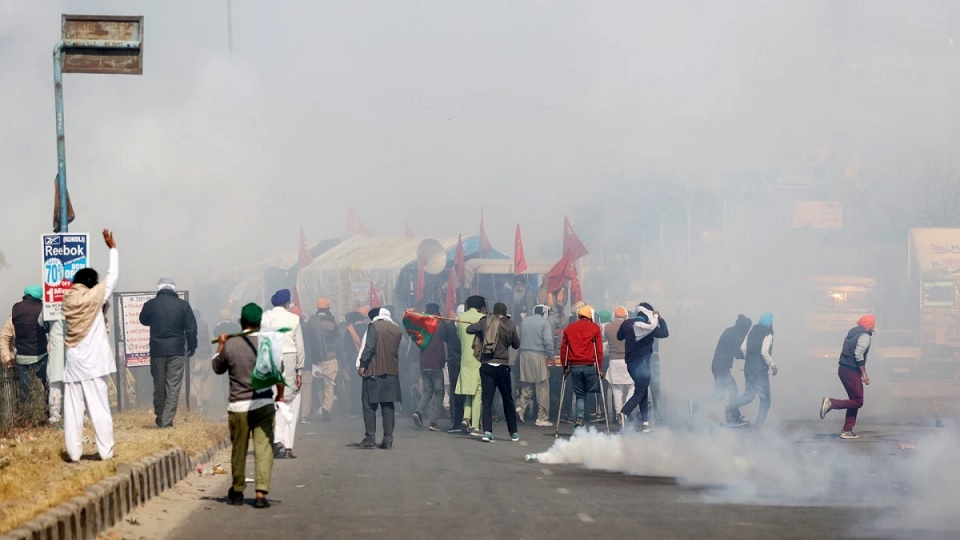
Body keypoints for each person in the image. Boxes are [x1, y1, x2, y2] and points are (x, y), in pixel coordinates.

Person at [212, 302, 278, 509]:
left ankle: (238, 490)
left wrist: (220, 346)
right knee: (264, 448)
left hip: (238, 406)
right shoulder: (268, 344)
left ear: (241, 322)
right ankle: (260, 492)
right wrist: (281, 398)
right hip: (264, 403)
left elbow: (217, 367)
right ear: (260, 322)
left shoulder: (231, 344)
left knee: (239, 449)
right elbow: (278, 372)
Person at [62, 229, 119, 462]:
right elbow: (113, 276)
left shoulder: (68, 299)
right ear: (91, 284)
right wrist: (112, 248)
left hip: (74, 363)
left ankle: (74, 454)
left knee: (73, 411)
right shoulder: (94, 297)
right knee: (99, 408)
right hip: (94, 363)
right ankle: (106, 452)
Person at [139, 278, 198, 428]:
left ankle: (160, 415)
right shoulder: (183, 305)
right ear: (174, 289)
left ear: (159, 288)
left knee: (159, 385)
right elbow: (191, 329)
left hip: (157, 350)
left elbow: (143, 320)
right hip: (177, 350)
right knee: (173, 386)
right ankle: (166, 420)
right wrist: (192, 347)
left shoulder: (151, 304)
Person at [466, 302, 521, 442]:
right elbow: (516, 345)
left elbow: (469, 329)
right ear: (505, 312)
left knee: (487, 400)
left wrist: (481, 327)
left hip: (487, 366)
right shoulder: (510, 324)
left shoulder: (485, 322)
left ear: (494, 312)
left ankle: (487, 432)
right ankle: (513, 432)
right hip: (503, 366)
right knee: (508, 399)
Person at [261, 289, 305, 459]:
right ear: (287, 303)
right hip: (289, 359)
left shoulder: (265, 317)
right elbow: (299, 347)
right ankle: (287, 445)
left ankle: (276, 439)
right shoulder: (294, 319)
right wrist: (299, 371)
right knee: (290, 402)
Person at [690, 314, 752, 426]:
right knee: (733, 390)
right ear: (744, 327)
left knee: (719, 394)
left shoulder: (730, 330)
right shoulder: (736, 334)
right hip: (721, 366)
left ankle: (696, 403)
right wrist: (752, 356)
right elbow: (738, 354)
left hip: (719, 365)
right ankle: (733, 418)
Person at [616, 303, 669, 432]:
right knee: (640, 392)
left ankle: (645, 422)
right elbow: (665, 333)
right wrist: (660, 319)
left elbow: (619, 337)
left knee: (642, 391)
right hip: (644, 365)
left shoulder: (627, 324)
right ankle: (624, 413)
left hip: (630, 364)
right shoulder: (649, 328)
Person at [820, 314, 874, 439]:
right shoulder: (864, 337)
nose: (874, 327)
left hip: (844, 369)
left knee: (853, 400)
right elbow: (858, 355)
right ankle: (831, 403)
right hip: (850, 371)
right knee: (858, 401)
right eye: (873, 325)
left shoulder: (852, 334)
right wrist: (864, 374)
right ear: (869, 326)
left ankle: (847, 430)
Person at [357, 307, 403, 449]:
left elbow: (369, 347)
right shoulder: (396, 330)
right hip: (391, 373)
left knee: (369, 406)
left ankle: (370, 437)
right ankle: (388, 439)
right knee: (388, 406)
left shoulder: (374, 327)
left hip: (374, 371)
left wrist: (363, 364)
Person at [730, 312, 778, 427]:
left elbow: (743, 348)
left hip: (749, 368)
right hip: (760, 370)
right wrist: (773, 365)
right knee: (765, 399)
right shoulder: (768, 334)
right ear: (770, 323)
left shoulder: (752, 331)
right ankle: (759, 424)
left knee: (749, 396)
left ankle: (732, 405)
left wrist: (750, 360)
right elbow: (764, 352)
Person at [560, 305, 604, 428]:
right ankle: (592, 414)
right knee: (591, 390)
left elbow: (564, 349)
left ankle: (579, 418)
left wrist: (565, 367)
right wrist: (599, 368)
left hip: (574, 366)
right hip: (589, 365)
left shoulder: (570, 328)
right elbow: (599, 350)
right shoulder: (595, 328)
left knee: (580, 395)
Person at [9, 286, 48, 411]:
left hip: (22, 357)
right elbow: (46, 327)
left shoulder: (16, 307)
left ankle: (26, 418)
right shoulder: (41, 308)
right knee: (48, 387)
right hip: (40, 355)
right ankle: (49, 414)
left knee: (25, 392)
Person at [516, 304, 554, 427]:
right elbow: (548, 341)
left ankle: (520, 408)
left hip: (524, 355)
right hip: (538, 355)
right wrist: (551, 356)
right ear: (544, 313)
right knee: (542, 386)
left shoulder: (525, 321)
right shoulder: (544, 323)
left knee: (527, 384)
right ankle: (542, 417)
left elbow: (519, 337)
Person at [413, 303, 449, 431]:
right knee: (439, 392)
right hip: (435, 363)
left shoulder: (421, 326)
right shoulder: (439, 325)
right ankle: (434, 422)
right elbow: (447, 333)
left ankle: (418, 411)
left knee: (428, 391)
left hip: (424, 363)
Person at [455, 296, 486, 436]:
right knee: (477, 391)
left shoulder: (460, 318)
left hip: (465, 358)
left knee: (468, 391)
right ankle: (475, 425)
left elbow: (458, 337)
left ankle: (466, 418)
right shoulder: (483, 318)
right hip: (478, 358)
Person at [307, 298, 340, 421]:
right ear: (328, 307)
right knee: (329, 384)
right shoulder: (332, 320)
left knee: (319, 384)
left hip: (317, 358)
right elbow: (337, 336)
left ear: (317, 307)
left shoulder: (311, 321)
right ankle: (327, 408)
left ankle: (321, 407)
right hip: (331, 357)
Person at [604, 306, 633, 421]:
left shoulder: (608, 327)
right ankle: (626, 411)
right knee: (632, 387)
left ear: (614, 315)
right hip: (628, 361)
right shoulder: (630, 326)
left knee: (617, 391)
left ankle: (619, 415)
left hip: (614, 361)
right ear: (626, 315)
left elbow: (604, 339)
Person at [340, 311, 366, 416]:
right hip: (368, 360)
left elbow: (346, 347)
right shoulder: (370, 328)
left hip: (354, 361)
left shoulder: (350, 330)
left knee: (355, 385)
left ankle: (356, 409)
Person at [445, 304, 465, 433]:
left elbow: (446, 340)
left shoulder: (450, 327)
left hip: (453, 363)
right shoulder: (469, 326)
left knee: (454, 392)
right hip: (465, 363)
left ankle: (456, 421)